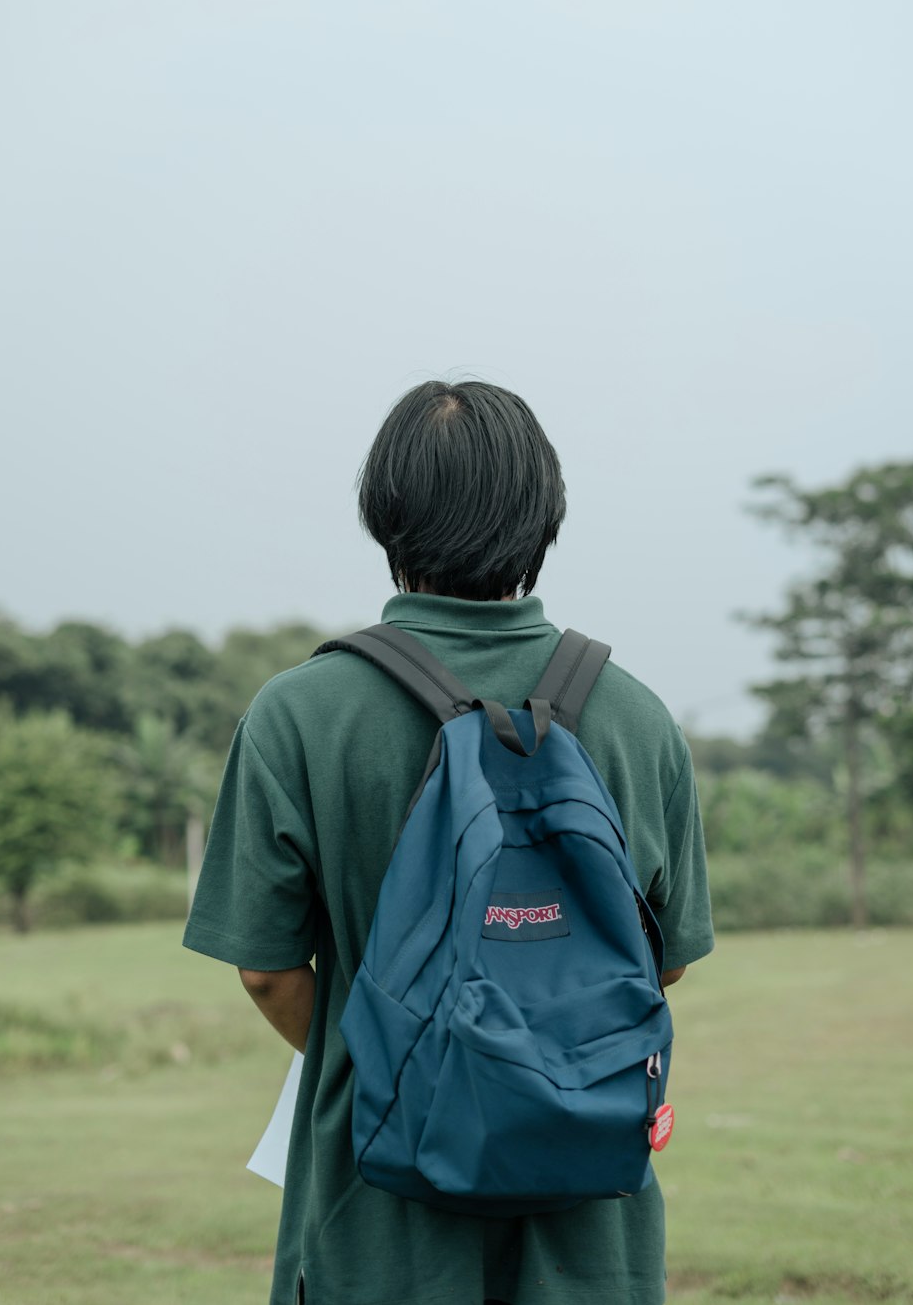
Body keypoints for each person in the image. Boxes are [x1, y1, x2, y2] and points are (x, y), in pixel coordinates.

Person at [183, 379, 714, 1305]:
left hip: (378, 1212)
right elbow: (658, 965)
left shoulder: (300, 713)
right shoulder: (637, 718)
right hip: (588, 1220)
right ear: (543, 514)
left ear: (384, 514)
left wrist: (410, 1057)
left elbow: (268, 970)